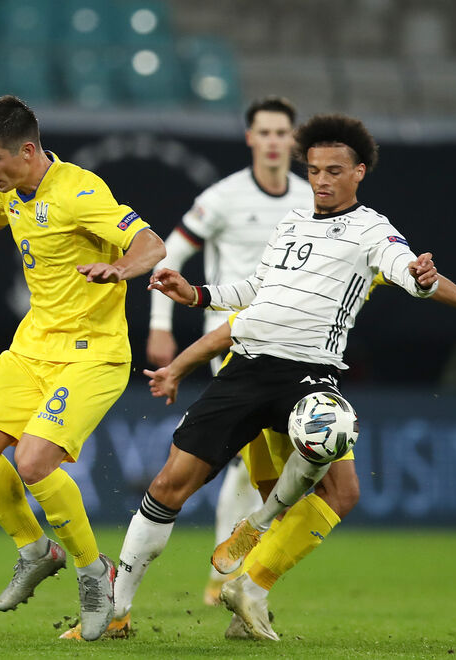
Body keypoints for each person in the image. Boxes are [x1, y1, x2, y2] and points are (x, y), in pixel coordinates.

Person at [98, 112, 456, 642]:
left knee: (339, 489)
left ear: (359, 172)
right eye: (316, 169)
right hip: (247, 366)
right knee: (171, 483)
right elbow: (257, 289)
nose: (321, 180)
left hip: (309, 378)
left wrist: (425, 282)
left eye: (333, 170)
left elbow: (403, 271)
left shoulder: (372, 228)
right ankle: (116, 612)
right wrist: (198, 295)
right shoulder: (293, 223)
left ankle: (250, 585)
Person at [0, 95, 165, 641]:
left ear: (27, 150)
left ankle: (97, 574)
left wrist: (119, 268)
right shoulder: (13, 191)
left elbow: (150, 243)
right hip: (31, 349)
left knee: (34, 460)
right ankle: (35, 549)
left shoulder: (80, 191)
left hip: (93, 353)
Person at [144, 270, 456, 639]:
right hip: (254, 383)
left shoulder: (361, 241)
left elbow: (419, 279)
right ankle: (252, 569)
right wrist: (187, 328)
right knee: (295, 507)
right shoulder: (300, 243)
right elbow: (238, 320)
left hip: (309, 389)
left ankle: (252, 573)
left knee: (329, 498)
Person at [146, 97, 315, 606]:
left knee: (277, 463)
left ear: (293, 140)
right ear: (250, 139)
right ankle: (229, 577)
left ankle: (239, 568)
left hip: (295, 345)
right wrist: (160, 324)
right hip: (234, 340)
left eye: (281, 133)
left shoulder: (310, 199)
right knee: (247, 460)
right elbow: (170, 253)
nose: (272, 141)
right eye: (263, 132)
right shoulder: (222, 197)